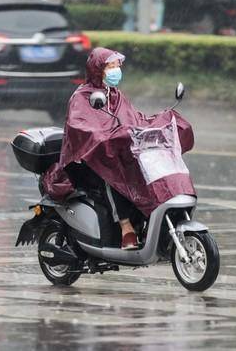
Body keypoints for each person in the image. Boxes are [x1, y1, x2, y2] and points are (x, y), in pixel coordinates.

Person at [43, 47, 196, 250]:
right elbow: (81, 127)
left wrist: (159, 121)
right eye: (111, 66)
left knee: (144, 170)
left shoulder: (116, 95)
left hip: (114, 153)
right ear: (98, 70)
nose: (116, 70)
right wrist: (104, 138)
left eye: (117, 66)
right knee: (113, 176)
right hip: (86, 160)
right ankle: (126, 230)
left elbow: (135, 119)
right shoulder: (82, 97)